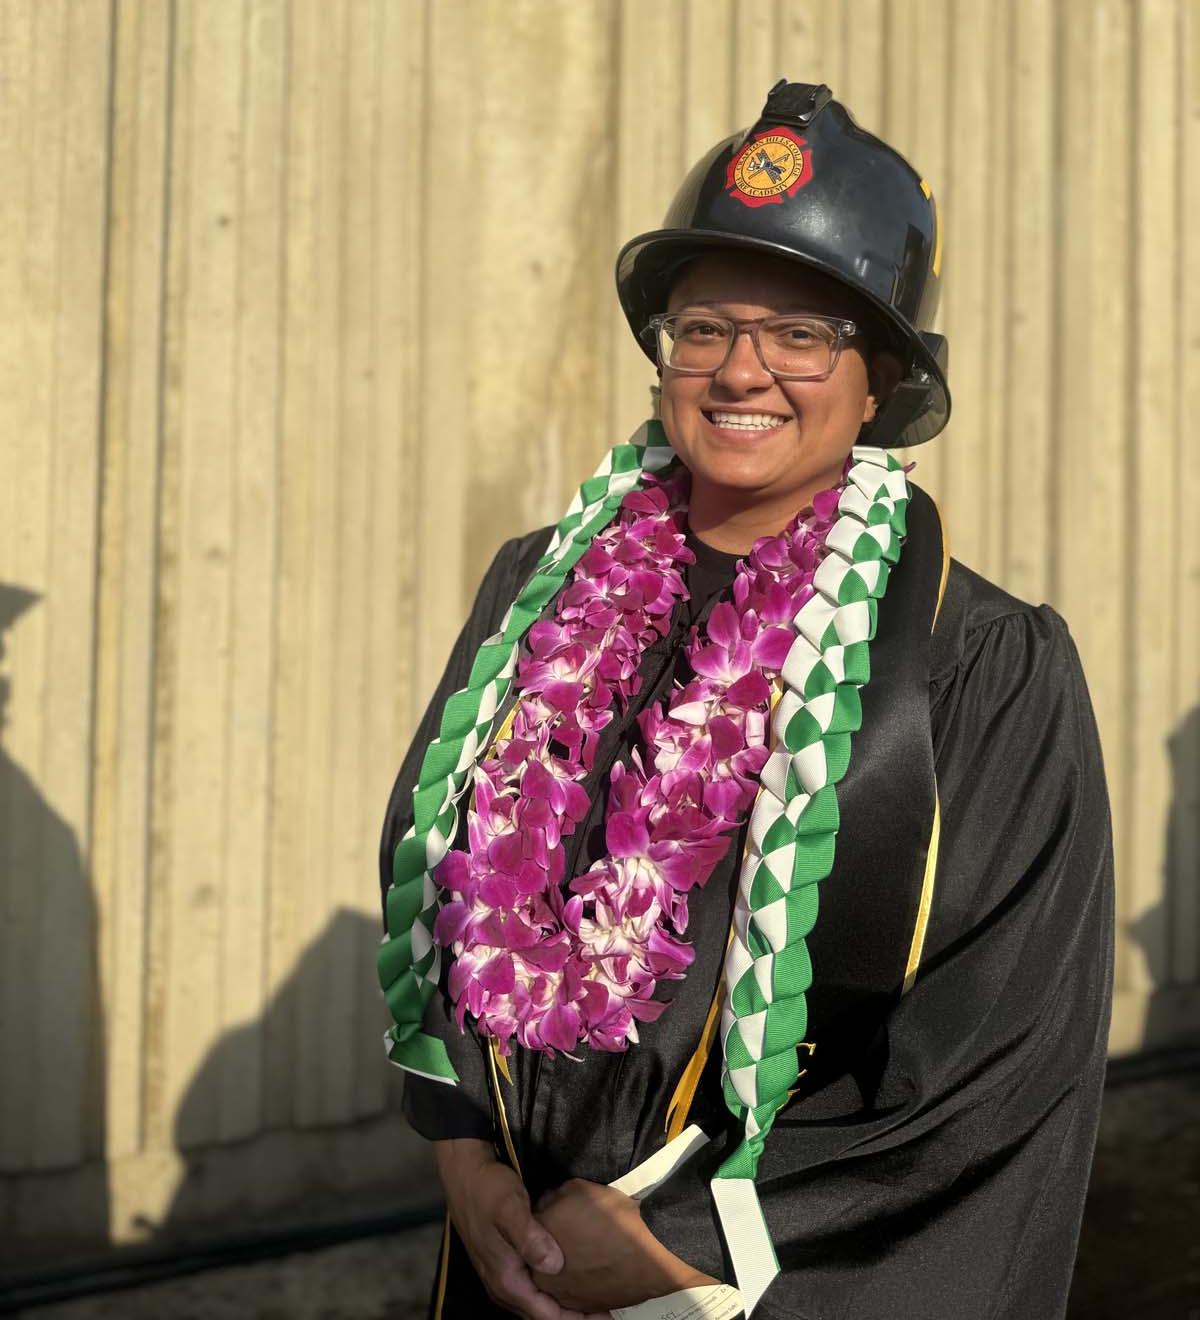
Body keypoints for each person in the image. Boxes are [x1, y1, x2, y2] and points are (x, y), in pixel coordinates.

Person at [378, 81, 1113, 1320]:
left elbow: (1003, 1043)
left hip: (756, 1281)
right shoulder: (537, 595)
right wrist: (459, 1140)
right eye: (705, 327)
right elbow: (430, 868)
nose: (741, 369)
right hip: (509, 1255)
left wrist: (693, 1239)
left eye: (802, 334)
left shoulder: (976, 664)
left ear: (879, 377)